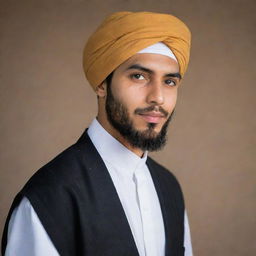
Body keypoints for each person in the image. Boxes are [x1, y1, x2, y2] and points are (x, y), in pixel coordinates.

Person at [2, 11, 193, 256]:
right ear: (102, 83)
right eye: (139, 76)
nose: (157, 96)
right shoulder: (50, 197)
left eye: (169, 82)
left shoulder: (169, 188)